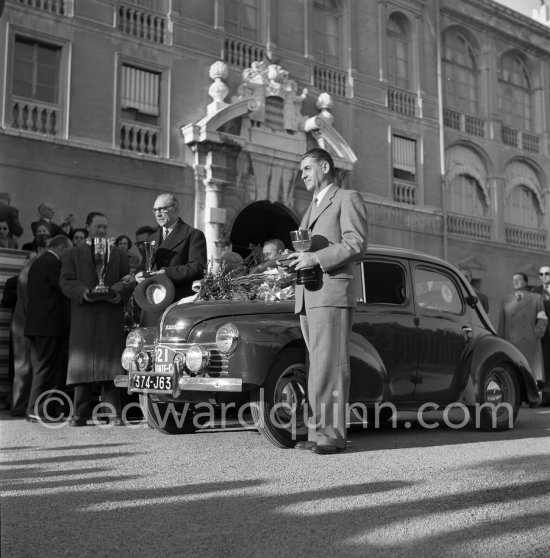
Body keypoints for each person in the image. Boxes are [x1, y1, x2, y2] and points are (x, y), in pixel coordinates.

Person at [285, 148, 368, 454]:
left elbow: (356, 244)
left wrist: (315, 258)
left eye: (307, 168)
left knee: (331, 365)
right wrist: (295, 259)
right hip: (309, 295)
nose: (303, 174)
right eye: (301, 170)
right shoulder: (311, 207)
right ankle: (318, 432)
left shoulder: (347, 198)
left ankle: (331, 436)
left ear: (325, 166)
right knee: (317, 366)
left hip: (331, 292)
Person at [59, 212, 133, 426]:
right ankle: (79, 414)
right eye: (98, 226)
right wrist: (83, 292)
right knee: (83, 366)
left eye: (105, 227)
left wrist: (119, 294)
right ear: (87, 227)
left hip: (110, 316)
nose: (102, 230)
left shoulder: (118, 254)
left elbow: (127, 282)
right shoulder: (73, 254)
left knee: (111, 366)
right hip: (84, 315)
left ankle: (114, 413)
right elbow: (65, 281)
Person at [135, 194, 207, 326]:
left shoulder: (193, 235)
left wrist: (167, 273)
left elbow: (197, 267)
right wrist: (139, 274)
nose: (158, 214)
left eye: (162, 209)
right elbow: (144, 265)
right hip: (152, 301)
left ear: (175, 208)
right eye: (155, 210)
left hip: (176, 303)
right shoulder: (152, 237)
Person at [24, 235, 73, 422]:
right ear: (60, 248)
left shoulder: (37, 263)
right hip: (50, 326)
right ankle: (36, 409)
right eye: (67, 252)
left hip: (37, 326)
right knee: (46, 369)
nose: (68, 256)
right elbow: (64, 289)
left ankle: (44, 409)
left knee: (43, 368)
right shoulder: (53, 264)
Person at [498, 272, 547, 386]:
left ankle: (533, 397)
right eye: (513, 280)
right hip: (511, 342)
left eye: (518, 279)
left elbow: (542, 318)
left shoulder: (536, 298)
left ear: (526, 282)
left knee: (530, 371)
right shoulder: (505, 300)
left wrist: (536, 333)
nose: (515, 282)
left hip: (529, 341)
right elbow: (502, 322)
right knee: (513, 372)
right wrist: (500, 340)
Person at [532, 265, 550, 397]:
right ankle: (543, 394)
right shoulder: (535, 291)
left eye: (547, 274)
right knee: (543, 364)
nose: (544, 276)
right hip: (541, 334)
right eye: (541, 274)